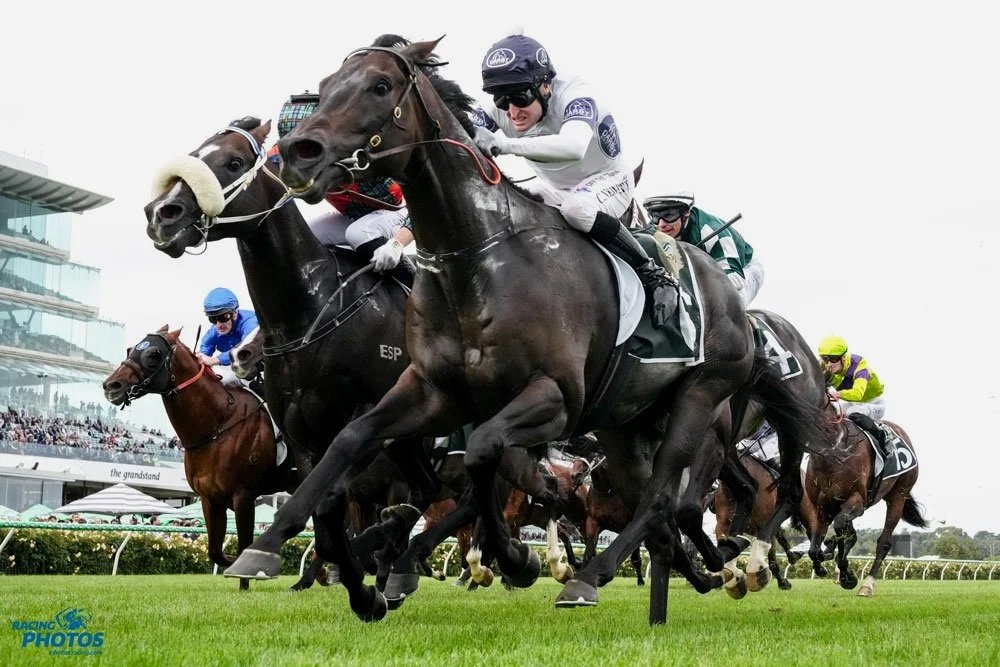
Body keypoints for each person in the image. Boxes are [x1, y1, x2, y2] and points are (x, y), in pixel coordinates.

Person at [471, 33, 677, 326]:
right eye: (502, 100)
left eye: (520, 98)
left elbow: (573, 146)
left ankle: (652, 272)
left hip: (608, 179)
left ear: (545, 86)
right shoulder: (506, 109)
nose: (512, 111)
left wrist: (506, 145)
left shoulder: (575, 93)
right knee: (504, 203)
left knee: (576, 210)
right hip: (557, 187)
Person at [643, 192, 764, 307]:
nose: (661, 224)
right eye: (655, 216)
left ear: (686, 214)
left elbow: (735, 280)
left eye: (669, 215)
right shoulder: (653, 230)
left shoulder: (711, 231)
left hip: (742, 269)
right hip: (700, 272)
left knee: (728, 304)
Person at [817, 335, 895, 456]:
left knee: (852, 412)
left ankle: (883, 436)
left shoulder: (860, 368)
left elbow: (858, 394)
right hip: (854, 403)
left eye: (833, 359)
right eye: (825, 359)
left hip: (873, 403)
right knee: (833, 412)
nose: (829, 364)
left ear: (843, 358)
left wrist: (838, 394)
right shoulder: (827, 365)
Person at [197, 287, 259, 387]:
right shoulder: (214, 331)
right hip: (241, 369)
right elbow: (204, 354)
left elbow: (244, 350)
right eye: (213, 319)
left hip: (265, 366)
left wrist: (215, 360)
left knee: (248, 376)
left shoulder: (250, 323)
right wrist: (198, 358)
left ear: (234, 313)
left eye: (222, 318)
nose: (218, 325)